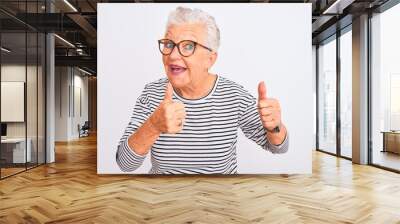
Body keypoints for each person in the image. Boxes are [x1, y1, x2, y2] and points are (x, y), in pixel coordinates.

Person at [116, 6, 289, 174]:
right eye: (169, 44)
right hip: (164, 198)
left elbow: (278, 147)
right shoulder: (152, 93)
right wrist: (153, 125)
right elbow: (124, 163)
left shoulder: (234, 96)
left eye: (188, 46)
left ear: (210, 59)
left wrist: (275, 126)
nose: (173, 56)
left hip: (218, 198)